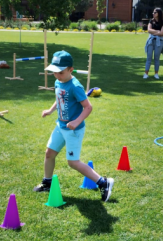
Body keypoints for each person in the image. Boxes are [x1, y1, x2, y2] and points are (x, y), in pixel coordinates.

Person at [33, 51, 114, 201]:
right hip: (60, 126)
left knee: (73, 162)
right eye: (54, 72)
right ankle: (47, 183)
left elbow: (88, 107)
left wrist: (76, 122)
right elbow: (60, 98)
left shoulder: (75, 86)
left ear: (70, 70)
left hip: (74, 130)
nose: (57, 75)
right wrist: (50, 110)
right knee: (49, 153)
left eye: (60, 72)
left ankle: (104, 182)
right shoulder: (59, 81)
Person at [144, 8, 163, 79]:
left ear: (159, 13)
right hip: (151, 41)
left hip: (159, 42)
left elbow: (162, 33)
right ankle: (146, 73)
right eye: (153, 12)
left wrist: (155, 32)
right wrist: (157, 32)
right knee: (149, 57)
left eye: (155, 12)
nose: (153, 13)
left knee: (157, 58)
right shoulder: (151, 21)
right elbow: (149, 30)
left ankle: (156, 73)